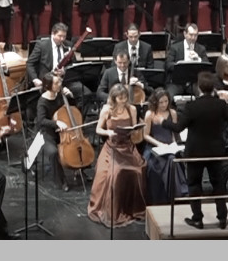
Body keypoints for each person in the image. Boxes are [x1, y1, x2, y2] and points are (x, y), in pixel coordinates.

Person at [163, 72, 228, 230]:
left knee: (194, 185)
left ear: (199, 87)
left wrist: (164, 123)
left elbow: (178, 127)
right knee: (218, 184)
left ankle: (197, 219)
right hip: (215, 151)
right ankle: (222, 218)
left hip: (195, 152)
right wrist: (226, 102)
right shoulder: (221, 105)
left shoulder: (192, 106)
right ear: (213, 88)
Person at [88, 83, 148, 228]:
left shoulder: (131, 109)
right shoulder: (107, 110)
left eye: (125, 97)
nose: (123, 100)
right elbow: (98, 129)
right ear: (114, 98)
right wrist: (108, 132)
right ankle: (114, 209)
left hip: (127, 147)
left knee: (138, 171)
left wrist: (135, 130)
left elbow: (133, 128)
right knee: (114, 174)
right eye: (120, 98)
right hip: (112, 148)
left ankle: (132, 208)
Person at [141, 89, 188, 204]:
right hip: (154, 147)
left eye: (166, 101)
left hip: (169, 145)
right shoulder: (150, 114)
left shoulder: (172, 113)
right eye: (161, 102)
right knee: (158, 163)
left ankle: (176, 194)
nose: (164, 105)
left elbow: (173, 132)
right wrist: (159, 144)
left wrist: (174, 145)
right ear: (155, 102)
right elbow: (145, 135)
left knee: (173, 159)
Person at [26, 23, 93, 101]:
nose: (62, 39)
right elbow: (30, 63)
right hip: (48, 82)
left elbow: (73, 65)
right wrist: (35, 79)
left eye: (64, 36)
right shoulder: (42, 45)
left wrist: (64, 71)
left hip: (65, 80)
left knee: (86, 93)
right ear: (53, 34)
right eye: (59, 36)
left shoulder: (68, 45)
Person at [35, 73, 80, 189]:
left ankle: (80, 170)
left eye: (60, 81)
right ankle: (61, 181)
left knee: (77, 145)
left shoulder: (60, 95)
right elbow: (41, 120)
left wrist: (71, 97)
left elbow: (72, 109)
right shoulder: (42, 101)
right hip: (47, 132)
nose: (60, 84)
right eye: (56, 83)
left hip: (63, 131)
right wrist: (56, 123)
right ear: (48, 86)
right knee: (54, 152)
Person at [164, 23, 209, 98]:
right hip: (177, 83)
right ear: (185, 34)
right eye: (191, 35)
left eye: (195, 35)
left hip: (194, 82)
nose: (193, 38)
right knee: (169, 97)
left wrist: (199, 59)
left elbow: (207, 66)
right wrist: (180, 65)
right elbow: (168, 65)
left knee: (203, 96)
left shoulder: (201, 49)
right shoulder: (175, 47)